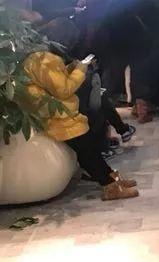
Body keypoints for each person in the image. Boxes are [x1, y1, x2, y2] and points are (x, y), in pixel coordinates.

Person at [25, 18, 138, 201]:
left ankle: (111, 179)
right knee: (88, 152)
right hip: (57, 115)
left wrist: (71, 68)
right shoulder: (45, 59)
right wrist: (80, 70)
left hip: (57, 112)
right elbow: (63, 89)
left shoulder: (39, 56)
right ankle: (109, 186)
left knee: (89, 149)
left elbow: (53, 83)